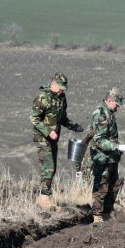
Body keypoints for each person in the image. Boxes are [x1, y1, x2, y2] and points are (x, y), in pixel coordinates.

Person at [29, 71, 84, 210]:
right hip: (43, 138)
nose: (61, 91)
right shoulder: (42, 98)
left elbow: (63, 118)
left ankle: (44, 197)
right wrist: (48, 131)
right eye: (60, 88)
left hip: (54, 139)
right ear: (52, 84)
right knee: (49, 167)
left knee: (52, 169)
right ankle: (43, 199)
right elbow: (34, 118)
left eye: (63, 89)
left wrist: (75, 126)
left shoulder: (61, 98)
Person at [89, 88, 125, 224]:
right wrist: (117, 146)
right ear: (109, 100)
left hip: (111, 157)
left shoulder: (109, 112)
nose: (118, 107)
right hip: (102, 157)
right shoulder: (100, 114)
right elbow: (99, 140)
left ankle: (107, 212)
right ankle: (97, 216)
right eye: (116, 104)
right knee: (101, 186)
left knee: (114, 184)